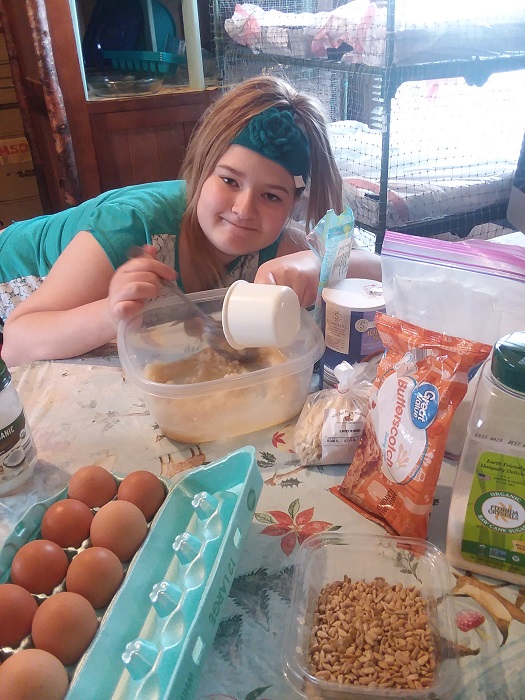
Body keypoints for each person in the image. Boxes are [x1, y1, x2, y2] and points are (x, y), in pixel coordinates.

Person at [0, 76, 381, 367]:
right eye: (229, 180)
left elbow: (382, 270)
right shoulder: (131, 225)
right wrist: (112, 313)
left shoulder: (272, 241)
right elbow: (17, 342)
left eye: (271, 196)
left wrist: (313, 261)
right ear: (200, 171)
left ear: (293, 204)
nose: (245, 209)